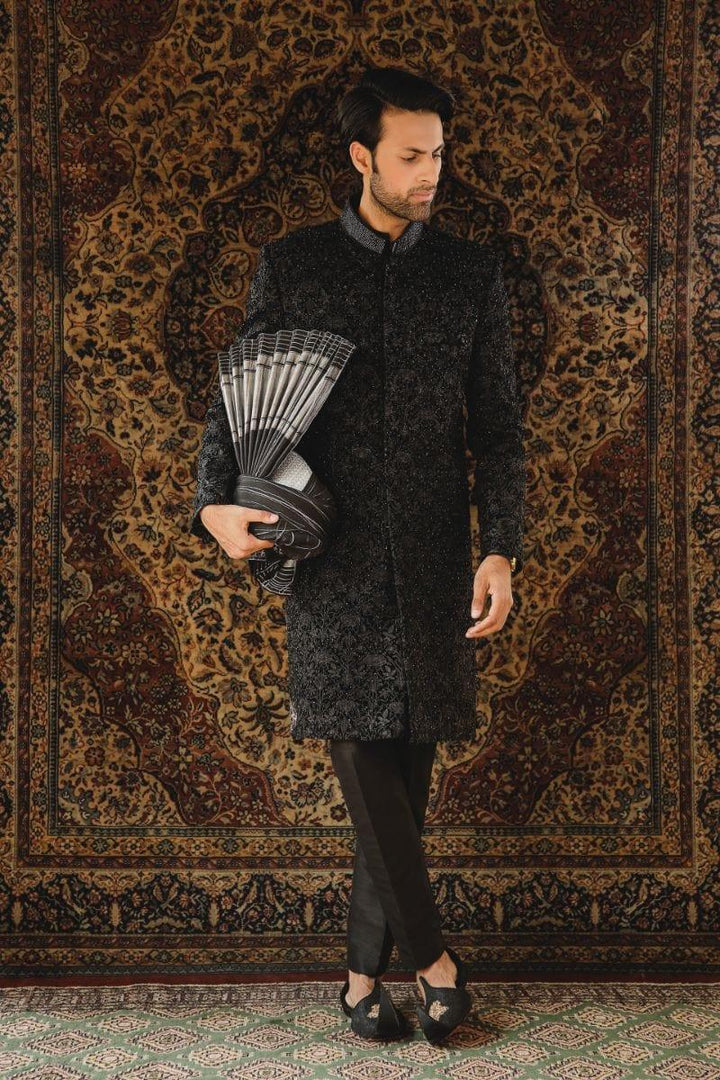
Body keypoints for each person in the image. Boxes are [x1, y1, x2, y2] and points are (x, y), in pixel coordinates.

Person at [190, 65, 526, 1043]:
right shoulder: (293, 264)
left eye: (439, 154)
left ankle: (357, 978)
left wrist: (500, 549)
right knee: (357, 746)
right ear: (361, 157)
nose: (431, 173)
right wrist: (212, 503)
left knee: (405, 764)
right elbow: (240, 395)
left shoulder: (469, 274)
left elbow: (499, 430)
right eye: (412, 155)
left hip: (434, 550)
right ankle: (436, 961)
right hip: (328, 548)